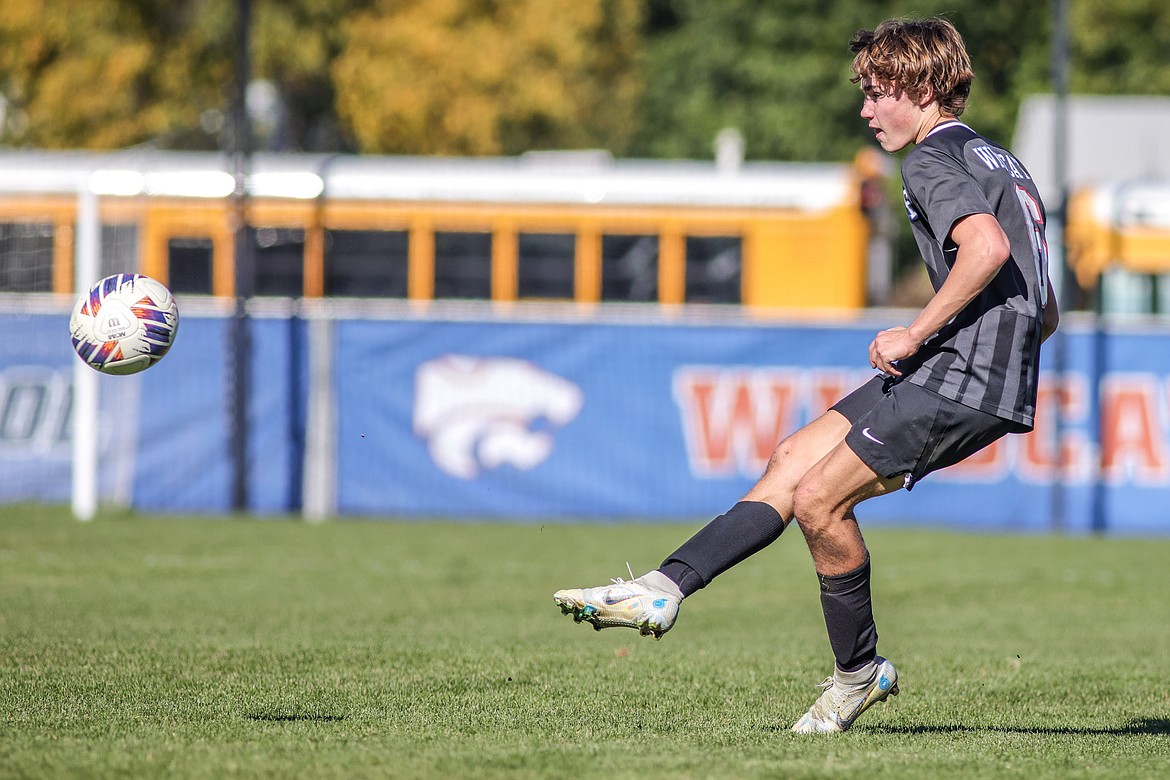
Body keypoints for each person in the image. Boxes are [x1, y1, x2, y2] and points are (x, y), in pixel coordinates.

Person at [552, 16, 1061, 734]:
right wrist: (987, 347)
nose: (865, 110)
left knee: (820, 501)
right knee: (794, 457)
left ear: (920, 88)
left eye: (876, 92)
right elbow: (1046, 309)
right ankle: (661, 588)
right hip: (968, 364)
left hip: (962, 373)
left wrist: (916, 331)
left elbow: (983, 246)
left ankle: (857, 676)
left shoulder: (927, 160)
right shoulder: (1002, 160)